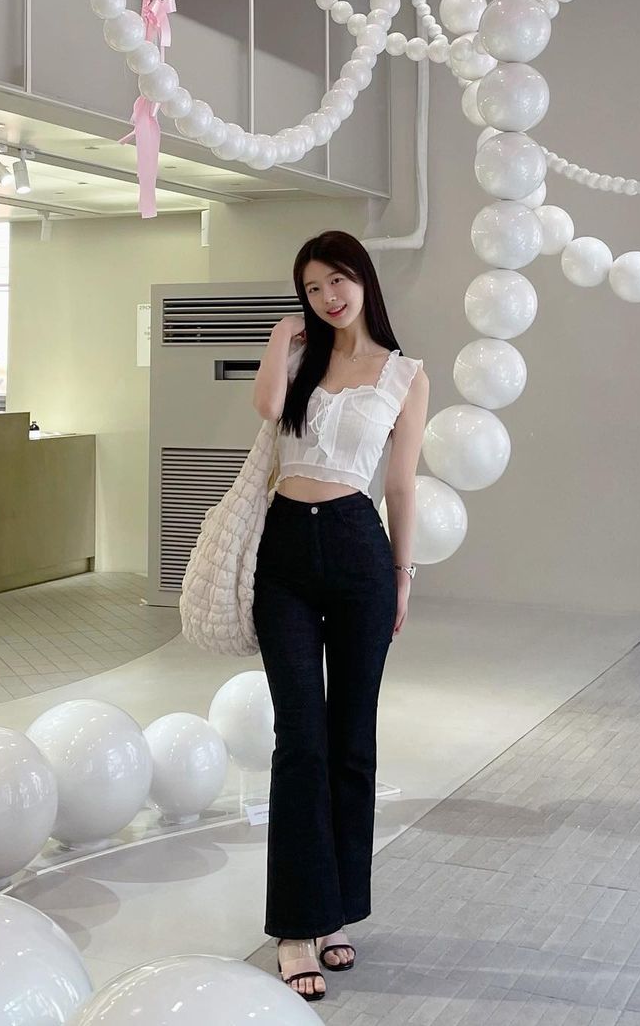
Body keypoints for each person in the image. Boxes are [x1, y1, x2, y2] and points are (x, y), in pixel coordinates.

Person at [251, 229, 429, 1002]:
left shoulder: (406, 374)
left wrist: (402, 574)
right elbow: (266, 409)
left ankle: (336, 913)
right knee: (300, 742)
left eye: (338, 280)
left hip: (359, 550)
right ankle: (296, 926)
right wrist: (277, 337)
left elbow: (401, 485)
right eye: (313, 287)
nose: (328, 296)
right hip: (285, 552)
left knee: (352, 741)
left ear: (364, 281)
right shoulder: (297, 362)